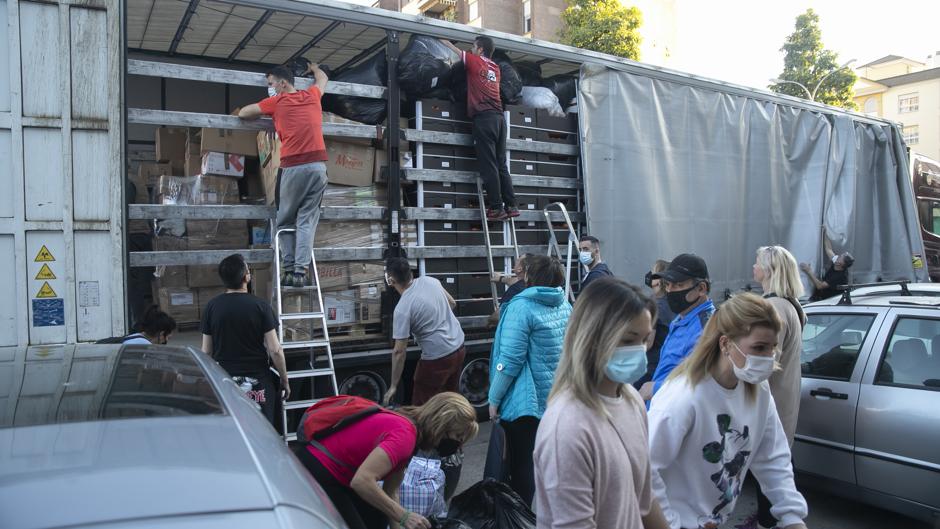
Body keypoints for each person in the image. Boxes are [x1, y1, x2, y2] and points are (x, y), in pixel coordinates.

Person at [647, 293, 809, 529]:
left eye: (772, 348)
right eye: (759, 347)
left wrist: (792, 517)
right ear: (725, 344)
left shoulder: (759, 391)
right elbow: (646, 470)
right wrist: (670, 523)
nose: (768, 357)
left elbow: (773, 459)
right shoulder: (683, 395)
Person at [534, 278, 670, 529]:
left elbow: (645, 500)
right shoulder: (567, 427)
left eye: (644, 339)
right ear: (593, 338)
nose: (639, 350)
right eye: (628, 340)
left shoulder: (631, 399)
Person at [295, 392, 479, 529]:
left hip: (331, 472)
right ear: (441, 425)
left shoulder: (410, 431)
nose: (458, 444)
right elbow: (362, 481)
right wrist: (404, 516)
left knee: (378, 518)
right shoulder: (404, 436)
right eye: (457, 436)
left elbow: (391, 491)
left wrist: (400, 521)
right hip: (319, 471)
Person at [488, 255, 572, 506]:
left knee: (522, 466)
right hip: (554, 396)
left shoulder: (521, 307)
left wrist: (494, 398)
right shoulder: (563, 304)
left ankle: (522, 518)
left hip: (525, 402)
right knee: (546, 461)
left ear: (531, 278)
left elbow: (510, 359)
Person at [238, 63, 330, 287]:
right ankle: (301, 272)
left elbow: (244, 113)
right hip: (318, 168)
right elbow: (323, 78)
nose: (270, 88)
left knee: (284, 220)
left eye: (271, 84)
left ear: (283, 83)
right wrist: (314, 68)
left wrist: (259, 109)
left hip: (293, 167)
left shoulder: (277, 102)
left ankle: (288, 270)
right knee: (307, 221)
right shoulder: (312, 95)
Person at [741, 245, 807, 529]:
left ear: (768, 270)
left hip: (772, 403)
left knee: (771, 472)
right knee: (777, 466)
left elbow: (763, 365)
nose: (753, 266)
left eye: (757, 262)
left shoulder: (774, 308)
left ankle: (769, 523)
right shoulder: (790, 304)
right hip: (783, 400)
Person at [201, 254, 290, 427]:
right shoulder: (261, 306)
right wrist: (284, 380)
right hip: (259, 384)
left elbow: (206, 352)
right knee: (263, 433)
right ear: (246, 277)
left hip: (225, 383)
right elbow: (275, 350)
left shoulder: (212, 307)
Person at [440, 37, 518, 221]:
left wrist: (441, 38)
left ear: (481, 49)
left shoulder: (475, 61)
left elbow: (455, 51)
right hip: (500, 119)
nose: (471, 49)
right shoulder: (496, 68)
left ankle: (497, 208)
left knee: (489, 165)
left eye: (473, 46)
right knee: (501, 164)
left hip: (484, 119)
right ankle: (512, 205)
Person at [383, 257, 465, 407]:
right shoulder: (430, 281)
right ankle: (451, 428)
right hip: (459, 347)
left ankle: (427, 429)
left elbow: (399, 352)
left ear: (390, 280)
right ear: (410, 273)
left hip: (438, 358)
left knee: (424, 406)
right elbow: (452, 303)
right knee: (450, 400)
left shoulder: (402, 308)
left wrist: (394, 385)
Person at [639, 254, 716, 401]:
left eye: (678, 285)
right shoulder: (682, 317)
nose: (670, 290)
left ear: (701, 288)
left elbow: (703, 383)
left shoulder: (706, 328)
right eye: (667, 284)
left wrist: (655, 388)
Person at [635, 260, 676, 388]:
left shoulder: (655, 306)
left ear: (659, 280)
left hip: (651, 365)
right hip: (666, 361)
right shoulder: (673, 302)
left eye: (653, 274)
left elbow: (648, 342)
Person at [801, 235, 854, 301]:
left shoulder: (839, 277)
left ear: (839, 264)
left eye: (840, 257)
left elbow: (820, 286)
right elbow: (829, 249)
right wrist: (824, 233)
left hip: (829, 302)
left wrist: (809, 271)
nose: (837, 256)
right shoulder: (838, 264)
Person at [487, 253, 533, 325]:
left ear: (519, 269)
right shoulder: (535, 284)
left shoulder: (515, 290)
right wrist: (500, 278)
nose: (515, 262)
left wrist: (490, 321)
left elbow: (498, 316)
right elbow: (515, 281)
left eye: (517, 261)